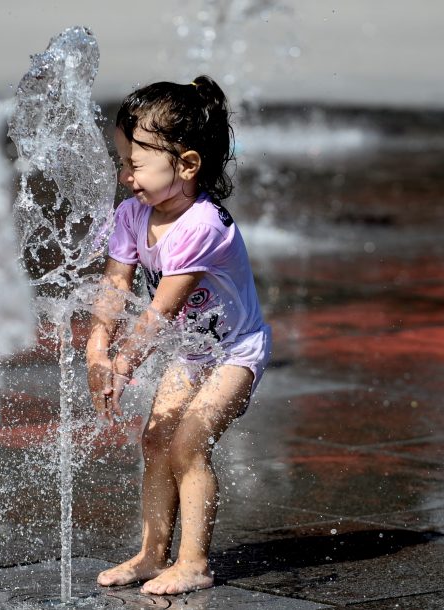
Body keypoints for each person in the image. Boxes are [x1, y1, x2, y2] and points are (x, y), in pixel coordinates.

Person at [85, 75, 271, 595]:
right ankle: (151, 555)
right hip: (194, 352)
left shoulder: (202, 227)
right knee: (155, 440)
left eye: (136, 164)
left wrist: (123, 365)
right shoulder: (132, 214)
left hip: (235, 351)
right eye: (123, 162)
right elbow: (114, 289)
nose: (126, 176)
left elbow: (160, 311)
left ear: (187, 165)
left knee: (188, 444)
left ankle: (193, 562)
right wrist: (96, 348)